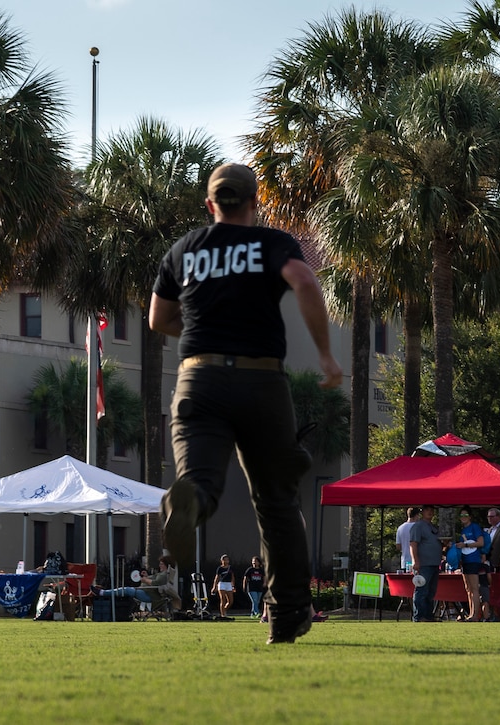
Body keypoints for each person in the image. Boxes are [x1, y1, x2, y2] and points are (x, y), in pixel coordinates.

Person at [150, 162, 343, 645]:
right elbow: (304, 280)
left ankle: (189, 496)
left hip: (199, 379)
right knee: (276, 500)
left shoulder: (184, 250)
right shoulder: (270, 243)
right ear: (254, 203)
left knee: (201, 477)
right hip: (262, 383)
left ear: (211, 204)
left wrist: (199, 336)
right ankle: (288, 614)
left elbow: (158, 318)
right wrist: (324, 355)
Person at [92, 556, 180, 611]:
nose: (160, 565)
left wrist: (145, 580)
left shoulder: (164, 575)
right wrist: (147, 576)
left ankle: (102, 592)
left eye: (161, 564)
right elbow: (155, 581)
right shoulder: (163, 574)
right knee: (126, 589)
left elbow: (156, 583)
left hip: (149, 595)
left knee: (126, 589)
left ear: (166, 565)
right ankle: (103, 592)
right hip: (146, 592)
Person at [408, 505, 442, 622]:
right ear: (422, 512)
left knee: (430, 592)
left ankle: (428, 616)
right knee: (421, 590)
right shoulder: (418, 526)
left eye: (432, 510)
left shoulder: (434, 527)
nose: (430, 512)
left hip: (434, 564)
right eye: (427, 510)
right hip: (423, 565)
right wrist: (415, 561)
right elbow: (413, 544)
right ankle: (418, 616)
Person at [456, 507, 485, 622]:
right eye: (461, 515)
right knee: (468, 589)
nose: (463, 517)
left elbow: (481, 543)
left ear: (470, 516)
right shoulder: (462, 530)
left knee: (474, 588)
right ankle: (470, 613)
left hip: (473, 560)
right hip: (465, 562)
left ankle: (475, 615)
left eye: (466, 515)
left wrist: (466, 546)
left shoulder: (475, 527)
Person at [211, 553, 235, 618]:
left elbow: (232, 577)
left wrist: (233, 586)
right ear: (222, 561)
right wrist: (214, 586)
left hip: (229, 584)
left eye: (227, 560)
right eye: (225, 560)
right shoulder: (220, 569)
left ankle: (224, 610)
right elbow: (216, 578)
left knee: (230, 601)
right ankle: (223, 614)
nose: (226, 561)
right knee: (223, 599)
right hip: (222, 584)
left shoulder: (230, 568)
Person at [396, 507, 420, 572]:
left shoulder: (400, 528)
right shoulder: (418, 527)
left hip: (405, 561)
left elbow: (398, 546)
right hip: (418, 561)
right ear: (416, 515)